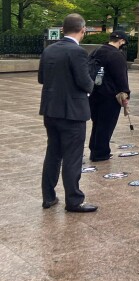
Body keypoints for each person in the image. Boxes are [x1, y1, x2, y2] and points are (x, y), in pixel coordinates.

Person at [39, 13, 97, 212]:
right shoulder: (77, 52)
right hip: (72, 112)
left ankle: (48, 196)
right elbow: (84, 82)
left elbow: (41, 78)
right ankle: (74, 200)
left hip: (50, 109)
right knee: (72, 156)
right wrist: (93, 84)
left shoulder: (49, 50)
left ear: (63, 29)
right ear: (83, 30)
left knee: (53, 153)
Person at [87, 30, 131, 162]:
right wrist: (126, 94)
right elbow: (121, 77)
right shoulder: (116, 55)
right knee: (106, 125)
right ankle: (100, 153)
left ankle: (94, 149)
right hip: (110, 95)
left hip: (94, 93)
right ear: (121, 41)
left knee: (97, 123)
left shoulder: (97, 51)